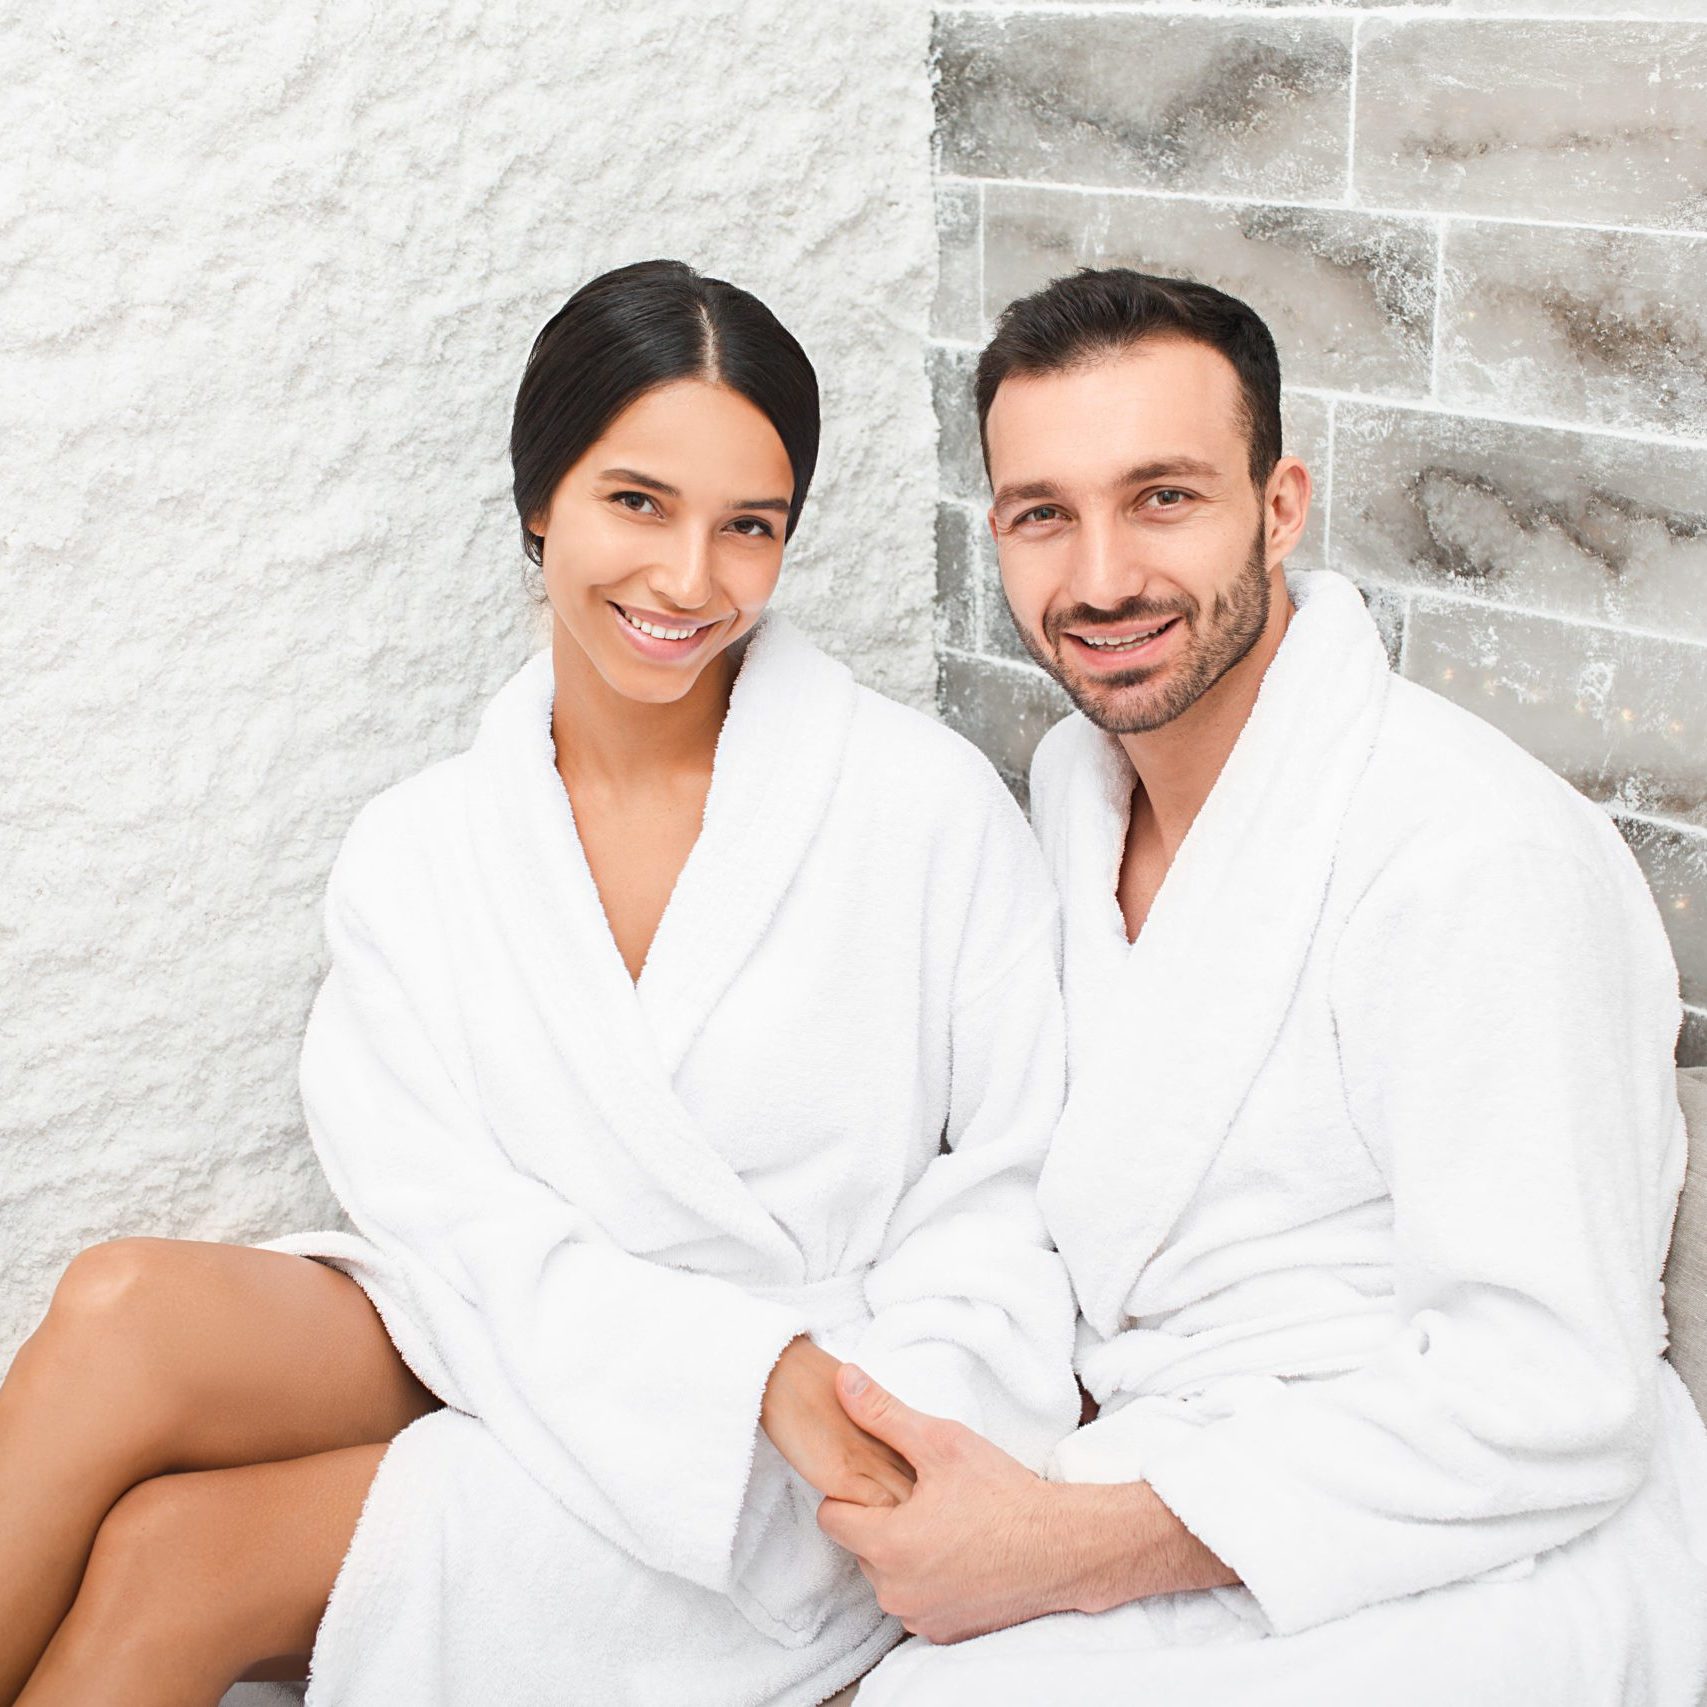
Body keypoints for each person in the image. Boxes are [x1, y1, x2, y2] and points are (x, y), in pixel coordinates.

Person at [0, 260, 1079, 1707]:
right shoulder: (423, 848)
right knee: (124, 1305)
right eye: (638, 503)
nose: (689, 581)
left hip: (783, 1444)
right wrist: (723, 1368)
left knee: (175, 1556)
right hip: (525, 1331)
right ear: (540, 501)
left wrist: (860, 1412)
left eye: (747, 527)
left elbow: (1018, 1184)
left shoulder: (921, 809)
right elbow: (435, 1209)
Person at [829, 267, 1707, 1706]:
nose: (1100, 578)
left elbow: (1556, 1395)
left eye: (1163, 497)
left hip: (1460, 1534)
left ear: (1280, 506)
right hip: (1169, 1453)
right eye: (1043, 513)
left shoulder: (1473, 858)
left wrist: (1068, 1547)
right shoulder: (1073, 786)